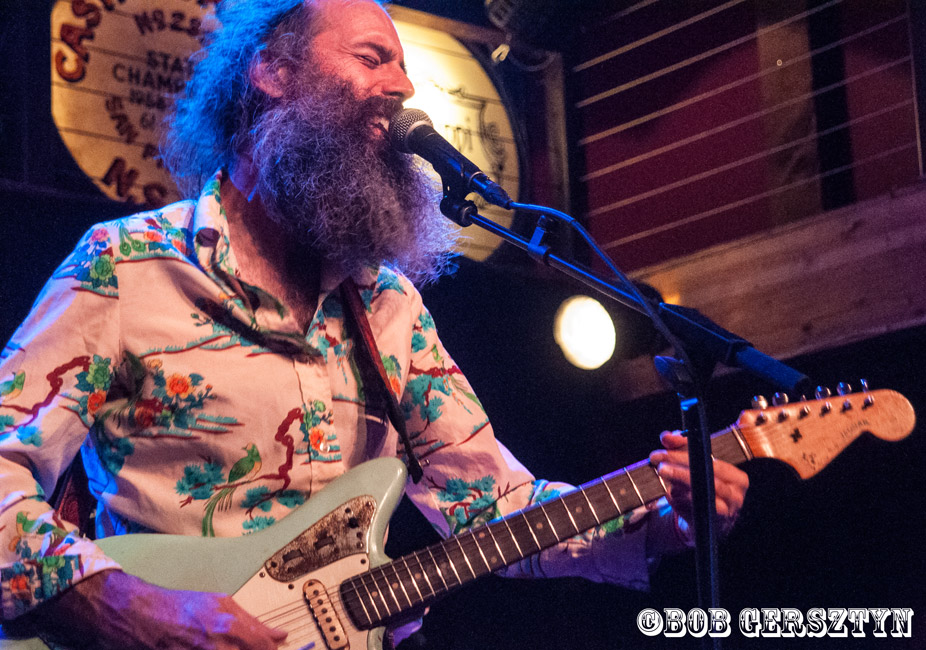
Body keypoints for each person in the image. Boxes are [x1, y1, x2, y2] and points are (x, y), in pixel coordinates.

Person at [0, 1, 749, 648]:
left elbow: (494, 508)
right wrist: (133, 608)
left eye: (402, 65)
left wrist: (664, 517)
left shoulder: (387, 305)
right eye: (372, 58)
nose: (403, 86)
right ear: (272, 71)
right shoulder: (127, 265)